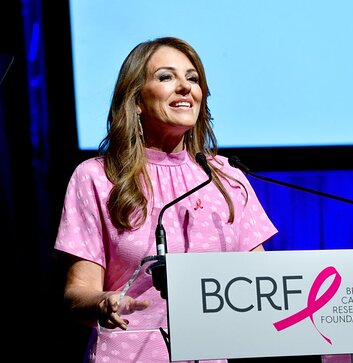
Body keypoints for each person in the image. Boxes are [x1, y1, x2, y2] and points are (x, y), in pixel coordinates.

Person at [53, 36, 278, 363]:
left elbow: (263, 285)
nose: (186, 87)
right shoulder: (98, 177)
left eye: (193, 78)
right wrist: (104, 302)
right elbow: (77, 293)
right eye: (166, 77)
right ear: (136, 100)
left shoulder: (226, 177)